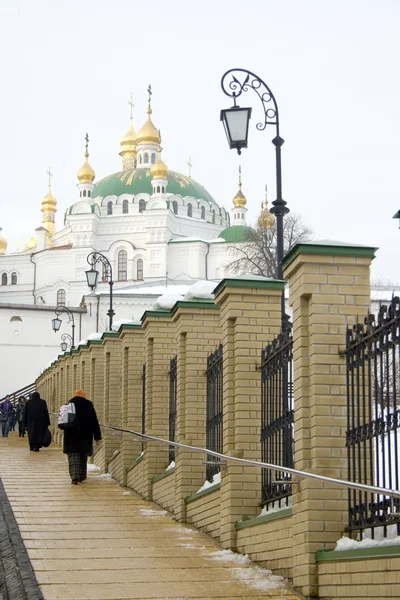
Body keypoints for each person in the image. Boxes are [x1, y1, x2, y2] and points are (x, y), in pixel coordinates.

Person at [63, 389, 102, 485]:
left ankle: (74, 477)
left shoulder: (69, 404)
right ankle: (81, 475)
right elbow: (94, 421)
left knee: (73, 456)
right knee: (82, 456)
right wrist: (97, 436)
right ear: (83, 395)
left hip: (71, 435)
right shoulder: (88, 404)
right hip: (85, 435)